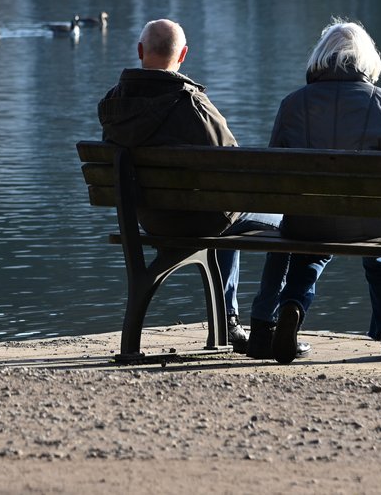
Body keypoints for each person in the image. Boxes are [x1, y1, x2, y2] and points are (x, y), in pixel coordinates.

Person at [98, 18, 283, 353]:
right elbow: (235, 166)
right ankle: (256, 323)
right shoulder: (192, 105)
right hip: (201, 220)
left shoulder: (114, 105)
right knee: (283, 221)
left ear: (140, 51)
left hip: (146, 218)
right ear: (182, 55)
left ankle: (228, 321)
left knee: (226, 211)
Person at [253, 18, 381, 364]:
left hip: (308, 222)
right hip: (371, 223)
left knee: (309, 250)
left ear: (321, 57)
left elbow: (273, 170)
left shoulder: (292, 104)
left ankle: (292, 307)